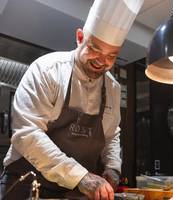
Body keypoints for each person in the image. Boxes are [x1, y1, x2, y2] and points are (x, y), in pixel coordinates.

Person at [0, 0, 144, 199]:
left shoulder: (112, 88)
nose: (102, 62)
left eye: (111, 56)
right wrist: (82, 178)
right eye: (95, 49)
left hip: (74, 191)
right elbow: (28, 133)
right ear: (79, 37)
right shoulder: (47, 70)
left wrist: (112, 169)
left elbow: (111, 135)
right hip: (28, 183)